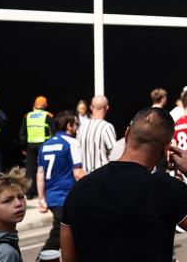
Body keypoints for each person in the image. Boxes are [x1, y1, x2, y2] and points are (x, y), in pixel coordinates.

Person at [60, 107, 187, 261]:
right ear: (166, 149)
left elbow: (68, 257)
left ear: (127, 134)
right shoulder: (164, 188)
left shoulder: (79, 189)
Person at [37, 111, 84, 254]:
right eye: (76, 123)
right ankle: (42, 258)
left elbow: (40, 174)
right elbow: (78, 173)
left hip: (52, 198)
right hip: (66, 196)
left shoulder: (44, 145)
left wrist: (41, 199)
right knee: (59, 236)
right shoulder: (71, 143)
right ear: (69, 125)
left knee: (72, 236)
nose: (77, 127)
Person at [18, 96, 53, 199]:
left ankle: (29, 193)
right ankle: (43, 191)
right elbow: (53, 131)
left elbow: (22, 133)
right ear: (44, 105)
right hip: (44, 145)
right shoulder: (48, 116)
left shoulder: (27, 116)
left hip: (31, 145)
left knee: (30, 169)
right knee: (45, 168)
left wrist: (23, 147)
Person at [76, 95, 116, 174]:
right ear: (107, 107)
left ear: (91, 107)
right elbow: (114, 153)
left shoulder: (81, 128)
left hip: (84, 177)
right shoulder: (106, 127)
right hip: (101, 176)